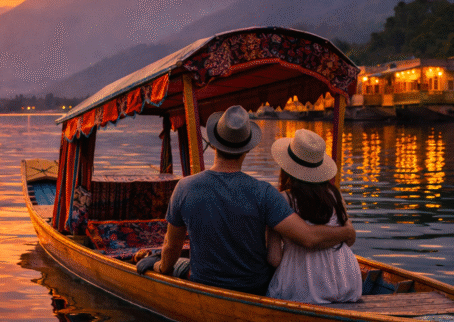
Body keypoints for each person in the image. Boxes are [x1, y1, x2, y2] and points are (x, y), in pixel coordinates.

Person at [140, 105, 355, 295]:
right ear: (248, 149)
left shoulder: (184, 188)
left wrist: (160, 267)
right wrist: (346, 231)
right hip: (255, 287)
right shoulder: (265, 193)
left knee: (176, 264)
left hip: (204, 283)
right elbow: (307, 237)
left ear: (213, 144)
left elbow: (172, 245)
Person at [265, 129, 362, 303]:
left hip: (305, 286)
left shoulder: (283, 200)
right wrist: (343, 232)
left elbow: (274, 258)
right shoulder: (335, 195)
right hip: (346, 281)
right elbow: (350, 239)